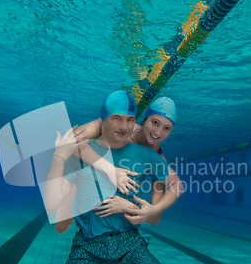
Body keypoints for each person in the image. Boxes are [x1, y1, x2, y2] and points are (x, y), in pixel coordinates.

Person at [44, 91, 183, 264]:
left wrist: (148, 210)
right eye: (154, 123)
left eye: (166, 128)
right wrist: (104, 170)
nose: (123, 126)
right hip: (89, 247)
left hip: (128, 244)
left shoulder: (152, 156)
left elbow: (166, 198)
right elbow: (77, 143)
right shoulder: (89, 147)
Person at [54, 96, 178, 233]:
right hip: (86, 170)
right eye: (155, 122)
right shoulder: (122, 126)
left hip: (107, 201)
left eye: (167, 128)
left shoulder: (157, 161)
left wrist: (133, 207)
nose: (158, 132)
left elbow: (154, 219)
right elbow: (69, 142)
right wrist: (110, 169)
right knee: (60, 226)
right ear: (144, 119)